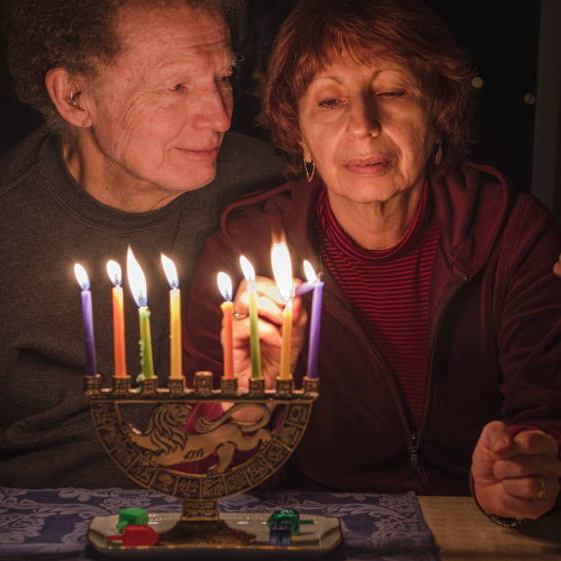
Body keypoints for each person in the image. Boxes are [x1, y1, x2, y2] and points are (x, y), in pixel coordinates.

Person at [184, 0, 561, 523]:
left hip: (473, 524)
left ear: (438, 112)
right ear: (299, 134)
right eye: (330, 101)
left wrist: (522, 479)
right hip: (316, 532)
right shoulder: (244, 252)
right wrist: (248, 408)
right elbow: (211, 482)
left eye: (391, 92)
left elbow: (546, 419)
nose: (364, 124)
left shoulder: (514, 233)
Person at [0, 0, 285, 491]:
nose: (219, 117)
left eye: (224, 79)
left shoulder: (277, 189)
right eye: (176, 86)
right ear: (75, 97)